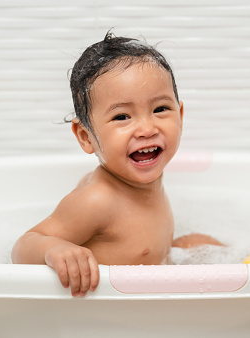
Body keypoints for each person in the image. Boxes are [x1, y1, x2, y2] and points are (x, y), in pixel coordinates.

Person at [11, 32, 222, 297]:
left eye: (160, 109)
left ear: (180, 116)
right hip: (113, 312)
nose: (147, 128)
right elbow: (23, 246)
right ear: (86, 137)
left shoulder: (145, 180)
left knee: (209, 246)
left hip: (149, 288)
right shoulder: (98, 200)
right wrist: (55, 250)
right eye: (122, 116)